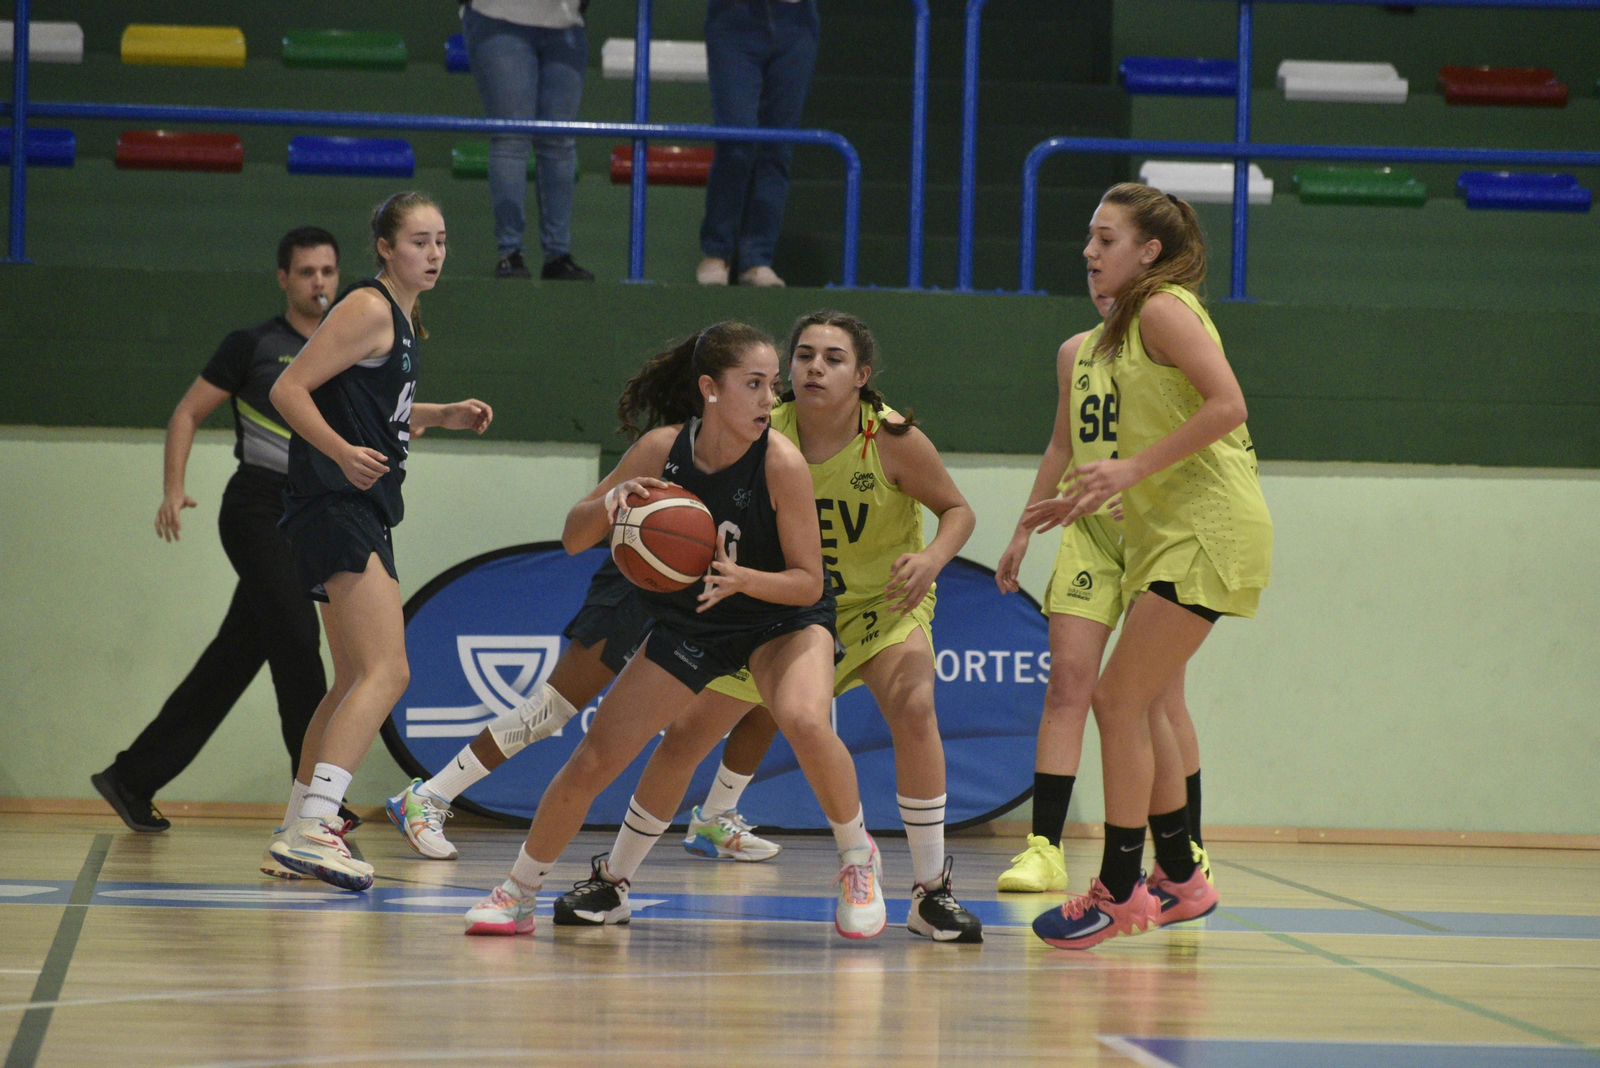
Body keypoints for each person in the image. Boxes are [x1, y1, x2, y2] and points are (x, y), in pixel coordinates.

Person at [462, 320, 886, 940]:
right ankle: (519, 891)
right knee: (596, 756)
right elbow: (573, 538)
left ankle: (857, 858)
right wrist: (612, 506)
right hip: (697, 620)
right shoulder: (662, 449)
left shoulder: (782, 462)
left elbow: (809, 584)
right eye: (756, 385)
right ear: (711, 390)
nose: (772, 399)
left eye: (773, 385)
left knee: (801, 717)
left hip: (780, 616)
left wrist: (745, 580)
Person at [576, 310, 984, 943]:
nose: (814, 367)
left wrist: (932, 558)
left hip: (875, 605)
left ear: (862, 375)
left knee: (914, 706)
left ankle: (932, 891)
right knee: (686, 734)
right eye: (805, 355)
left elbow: (957, 509)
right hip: (779, 608)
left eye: (834, 357)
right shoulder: (762, 428)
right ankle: (615, 879)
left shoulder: (894, 438)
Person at [1025, 184, 1271, 949]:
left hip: (1206, 528)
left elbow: (1229, 404)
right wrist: (1077, 495)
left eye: (1106, 239)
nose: (1090, 253)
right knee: (1152, 703)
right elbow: (1081, 442)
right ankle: (1182, 879)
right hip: (1165, 530)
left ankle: (1120, 889)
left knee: (1116, 701)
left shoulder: (1163, 307)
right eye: (1090, 240)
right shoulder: (1116, 334)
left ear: (1149, 251)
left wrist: (1132, 470)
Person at [265, 192, 495, 892]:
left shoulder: (400, 319)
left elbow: (369, 406)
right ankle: (317, 826)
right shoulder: (367, 306)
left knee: (350, 679)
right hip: (338, 504)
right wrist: (339, 452)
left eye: (442, 240)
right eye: (420, 240)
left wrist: (441, 414)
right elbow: (288, 389)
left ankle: (295, 826)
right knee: (388, 671)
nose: (434, 252)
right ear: (386, 248)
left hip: (346, 504)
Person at [92, 228, 341, 849]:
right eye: (307, 272)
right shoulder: (253, 345)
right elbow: (187, 412)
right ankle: (315, 805)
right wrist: (173, 488)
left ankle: (131, 777)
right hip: (256, 508)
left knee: (234, 659)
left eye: (329, 272)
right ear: (283, 278)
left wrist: (440, 414)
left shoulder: (346, 349)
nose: (319, 283)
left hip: (307, 516)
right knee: (297, 638)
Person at [993, 290, 1211, 894]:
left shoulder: (1169, 341)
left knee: (1157, 699)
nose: (1097, 271)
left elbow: (1208, 429)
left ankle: (1184, 846)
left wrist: (1142, 481)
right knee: (1067, 682)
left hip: (1157, 531)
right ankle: (1044, 847)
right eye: (1090, 261)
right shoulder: (1074, 352)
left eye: (1107, 251)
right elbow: (1062, 444)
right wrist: (1021, 528)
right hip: (1089, 531)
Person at [383, 555, 651, 860]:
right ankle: (429, 795)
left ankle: (712, 817)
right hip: (636, 586)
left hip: (701, 598)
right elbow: (574, 538)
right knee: (549, 710)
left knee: (682, 721)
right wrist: (612, 506)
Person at [460, 0, 594, 281]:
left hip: (566, 25)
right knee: (511, 138)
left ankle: (558, 255)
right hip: (498, 16)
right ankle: (510, 253)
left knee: (559, 143)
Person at [695, 0, 820, 288]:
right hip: (735, 20)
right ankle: (716, 252)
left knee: (778, 146)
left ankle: (757, 258)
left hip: (797, 24)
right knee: (736, 142)